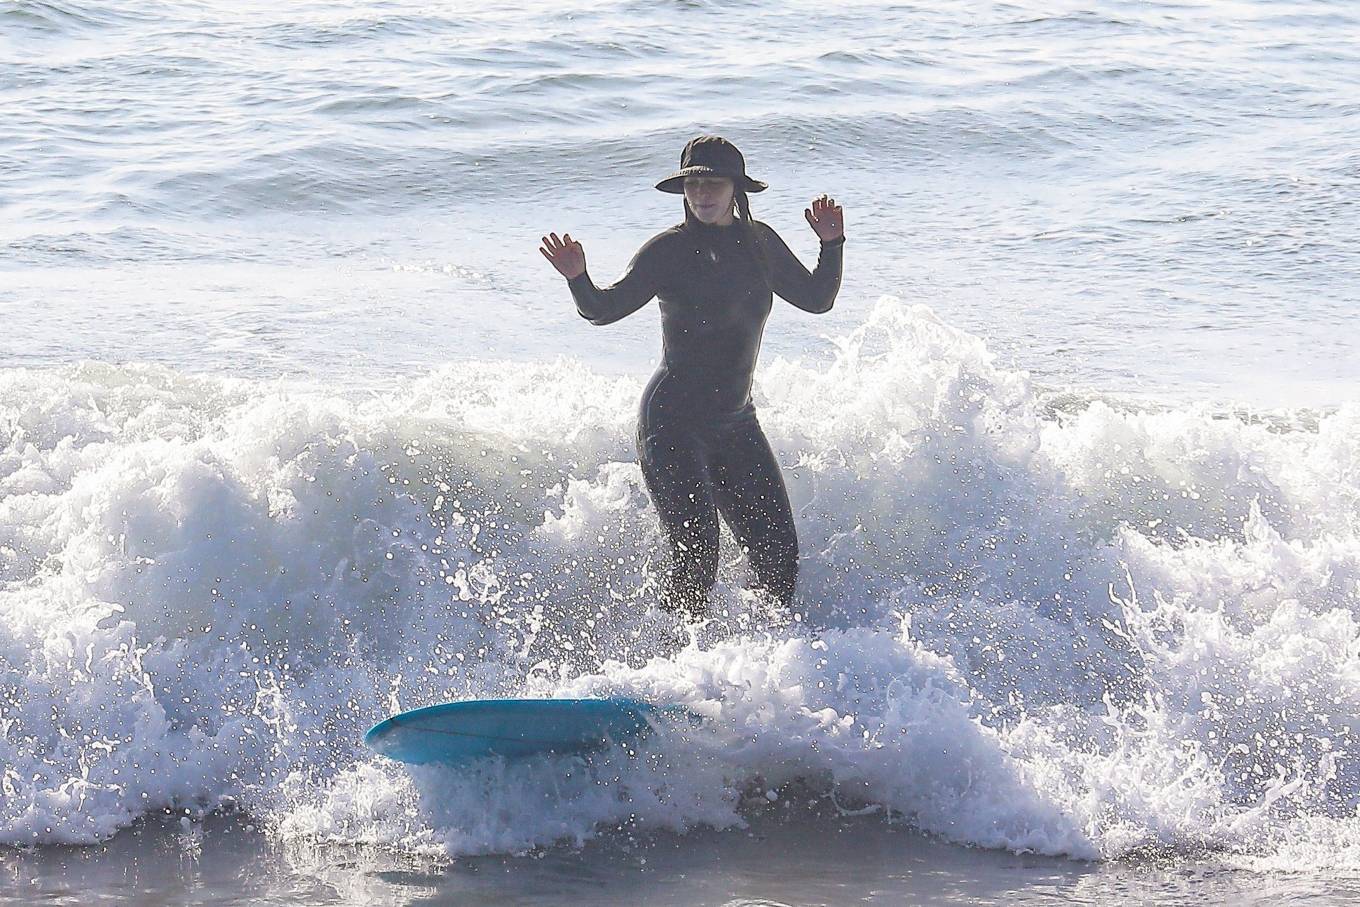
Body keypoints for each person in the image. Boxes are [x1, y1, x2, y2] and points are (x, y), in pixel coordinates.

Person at [539, 135, 845, 618]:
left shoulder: (761, 245)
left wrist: (831, 245)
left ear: (735, 190)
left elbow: (817, 298)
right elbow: (604, 309)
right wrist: (578, 278)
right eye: (694, 185)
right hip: (672, 425)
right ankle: (671, 670)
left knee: (779, 559)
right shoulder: (668, 252)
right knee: (697, 556)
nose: (702, 194)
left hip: (736, 424)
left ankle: (759, 666)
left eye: (713, 184)